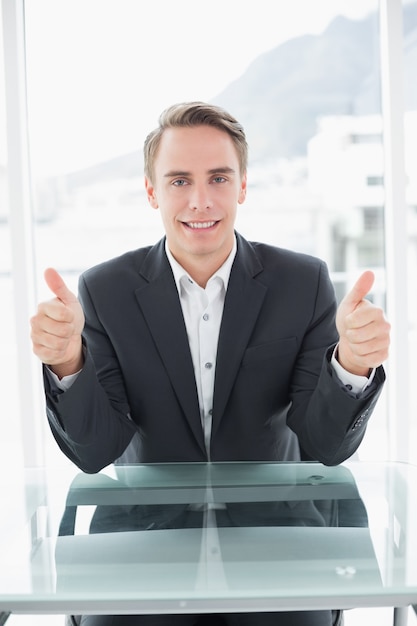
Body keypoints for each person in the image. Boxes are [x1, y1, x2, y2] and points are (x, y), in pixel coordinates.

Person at [30, 102, 390, 626]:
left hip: (278, 539)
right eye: (179, 181)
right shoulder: (104, 291)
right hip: (142, 541)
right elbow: (94, 453)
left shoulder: (303, 281)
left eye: (218, 177)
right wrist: (68, 362)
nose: (201, 200)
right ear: (152, 191)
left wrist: (352, 363)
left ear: (242, 185)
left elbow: (325, 447)